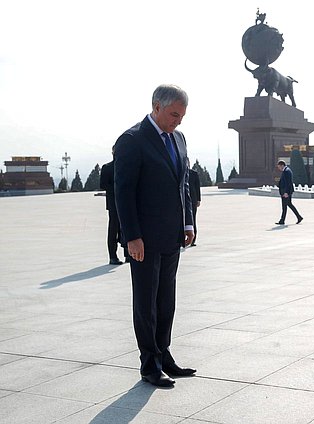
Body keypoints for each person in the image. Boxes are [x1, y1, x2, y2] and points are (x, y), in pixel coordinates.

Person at [114, 84, 196, 387]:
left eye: (182, 116)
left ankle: (165, 355)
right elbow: (123, 193)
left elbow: (183, 183)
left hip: (172, 236)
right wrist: (132, 236)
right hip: (143, 241)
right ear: (156, 106)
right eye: (174, 114)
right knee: (146, 303)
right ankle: (149, 364)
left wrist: (188, 223)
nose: (178, 121)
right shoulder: (132, 140)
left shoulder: (179, 138)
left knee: (166, 301)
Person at [100, 147, 129, 264]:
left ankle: (128, 254)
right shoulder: (107, 167)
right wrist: (118, 188)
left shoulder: (127, 166)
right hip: (113, 204)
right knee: (113, 230)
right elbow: (103, 184)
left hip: (127, 203)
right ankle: (113, 256)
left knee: (127, 228)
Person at [276, 160, 303, 225]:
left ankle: (282, 220)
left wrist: (286, 192)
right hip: (285, 192)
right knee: (289, 205)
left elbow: (288, 183)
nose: (278, 168)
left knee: (284, 207)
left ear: (282, 165)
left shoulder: (286, 171)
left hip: (286, 192)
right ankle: (299, 217)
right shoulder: (286, 170)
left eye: (279, 167)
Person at [188, 162, 201, 246]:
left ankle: (193, 239)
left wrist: (198, 200)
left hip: (193, 200)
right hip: (183, 201)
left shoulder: (193, 174)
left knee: (193, 219)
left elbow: (197, 187)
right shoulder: (180, 172)